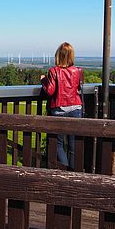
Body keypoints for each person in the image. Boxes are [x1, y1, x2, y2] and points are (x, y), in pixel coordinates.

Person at [40, 42, 83, 170]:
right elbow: (79, 88)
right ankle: (73, 172)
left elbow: (50, 91)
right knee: (73, 145)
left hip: (59, 109)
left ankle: (65, 170)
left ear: (58, 55)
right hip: (76, 108)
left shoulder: (54, 71)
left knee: (58, 144)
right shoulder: (78, 71)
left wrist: (43, 80)